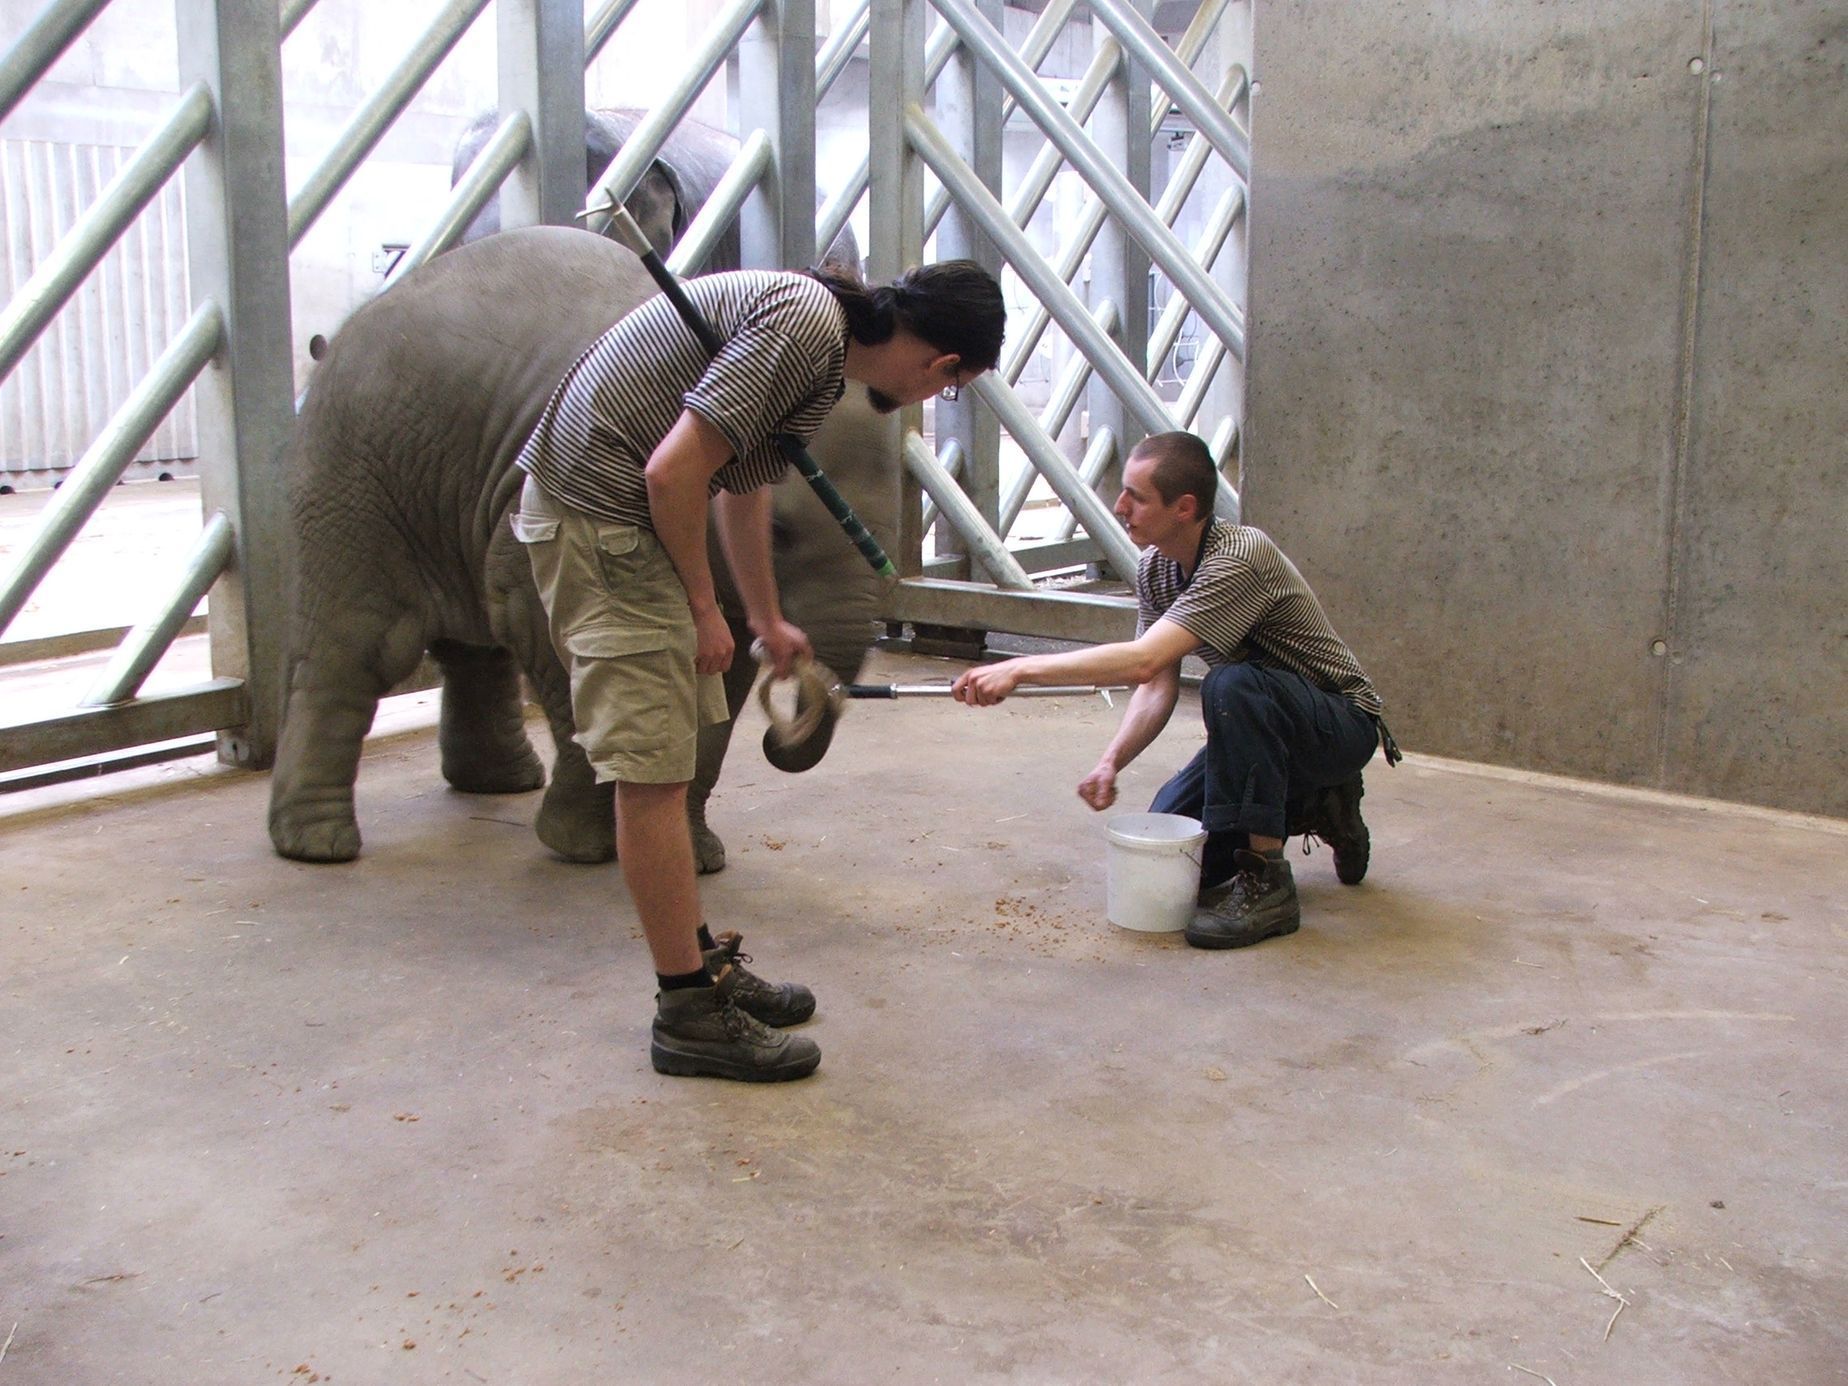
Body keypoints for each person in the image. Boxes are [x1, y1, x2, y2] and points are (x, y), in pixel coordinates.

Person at [514, 257, 1006, 1080]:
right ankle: (687, 1009)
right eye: (951, 391)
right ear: (940, 367)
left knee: (670, 755)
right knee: (655, 770)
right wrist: (708, 612)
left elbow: (739, 490)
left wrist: (766, 617)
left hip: (626, 517)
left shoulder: (822, 355)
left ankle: (697, 961)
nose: (934, 401)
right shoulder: (806, 328)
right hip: (599, 518)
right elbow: (672, 473)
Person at [952, 431, 1397, 950]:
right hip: (1266, 729)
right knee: (1183, 855)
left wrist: (1022, 669)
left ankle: (1269, 885)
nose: (1120, 507)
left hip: (1339, 723)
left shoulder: (1240, 557)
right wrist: (1110, 762)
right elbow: (1153, 682)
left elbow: (1143, 658)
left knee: (1232, 684)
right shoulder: (1157, 568)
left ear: (1184, 507)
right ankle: (1318, 806)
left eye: (1136, 497)